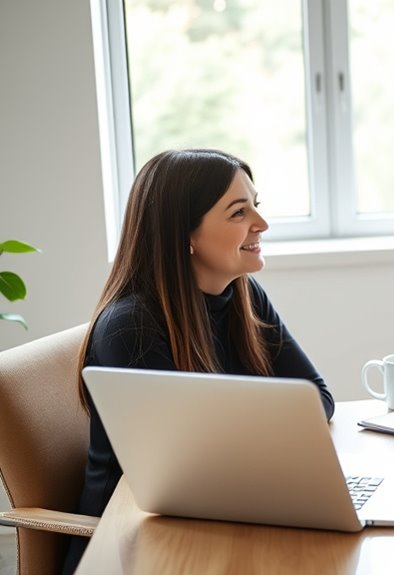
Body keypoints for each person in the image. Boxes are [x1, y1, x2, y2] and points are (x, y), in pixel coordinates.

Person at [62, 149, 334, 573]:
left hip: (221, 518)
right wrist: (278, 433)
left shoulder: (244, 296)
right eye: (238, 213)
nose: (261, 224)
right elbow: (180, 476)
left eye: (255, 206)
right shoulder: (130, 326)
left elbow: (317, 400)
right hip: (135, 545)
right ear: (184, 233)